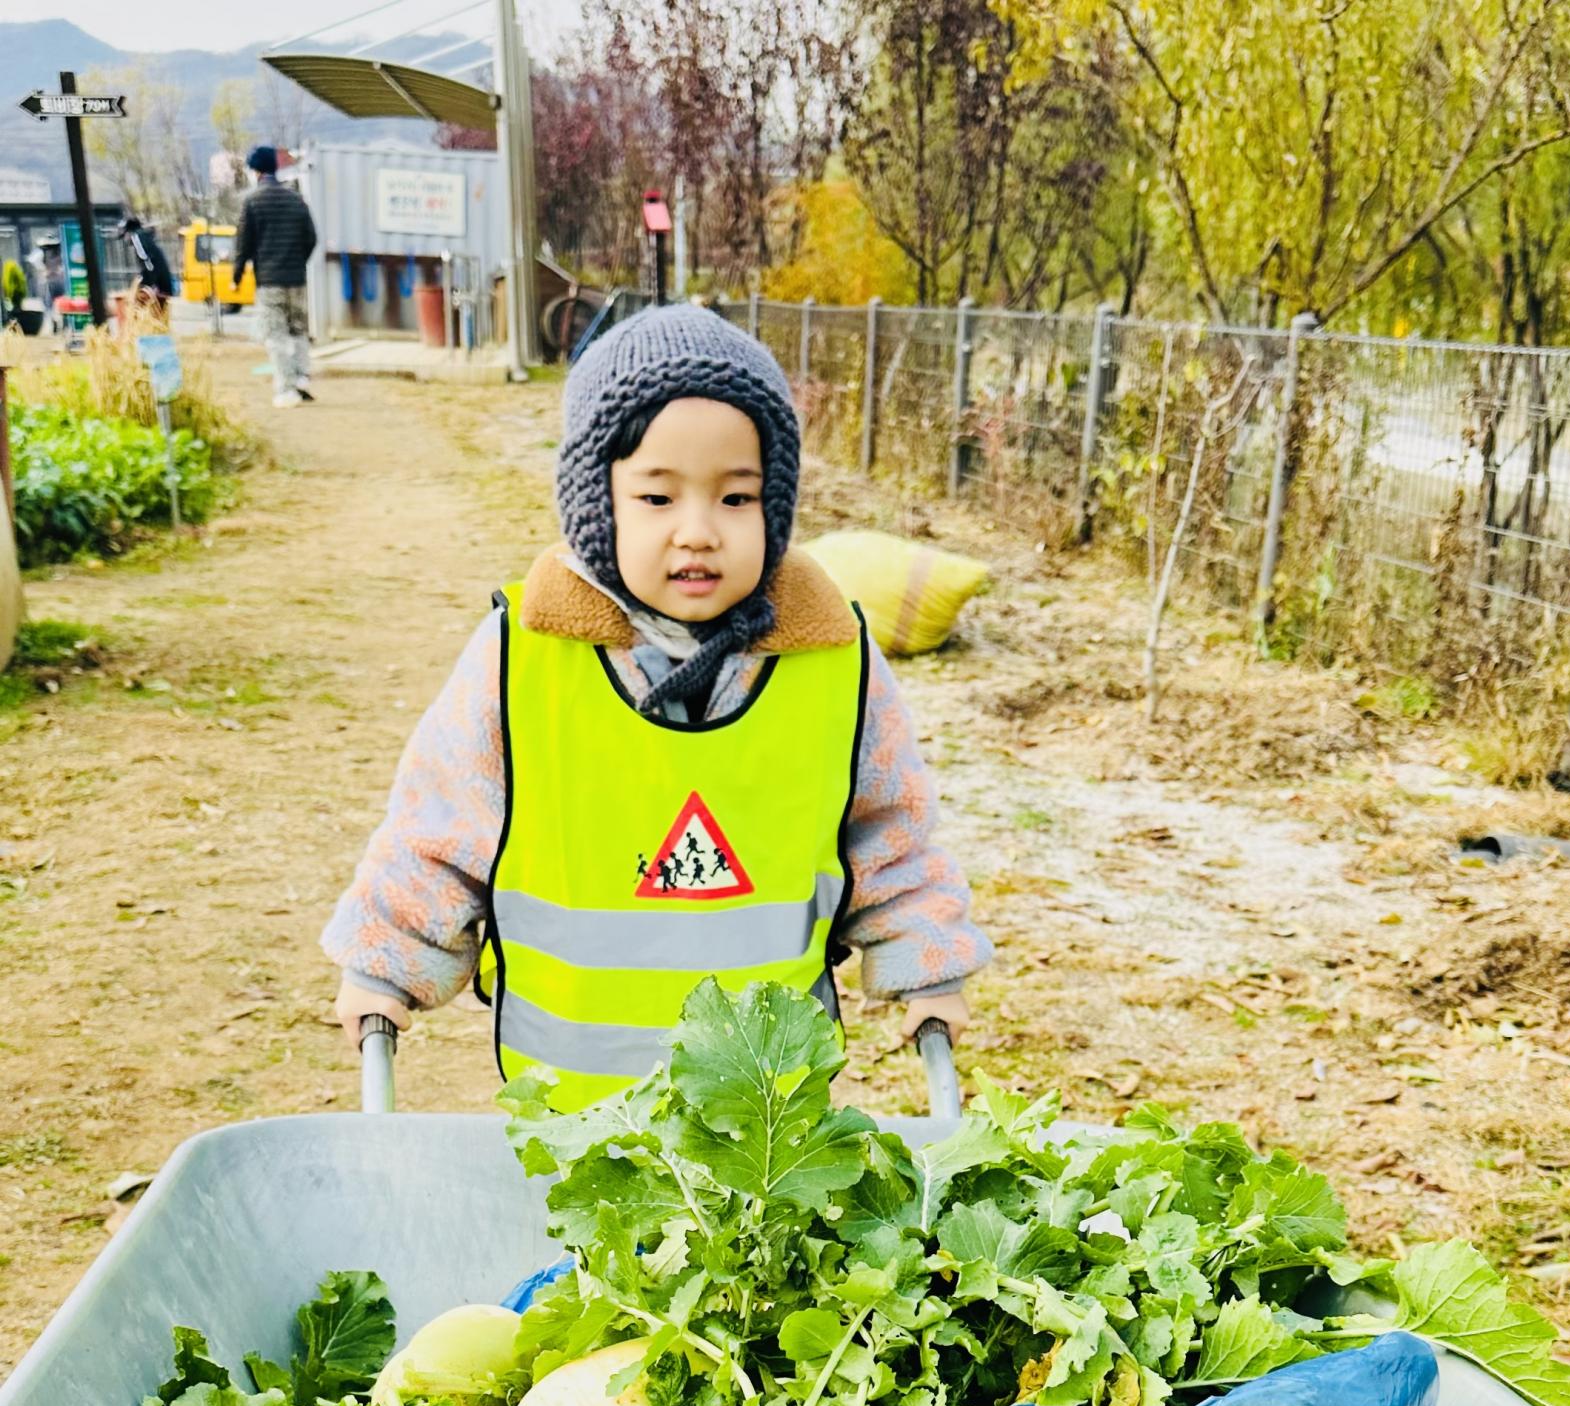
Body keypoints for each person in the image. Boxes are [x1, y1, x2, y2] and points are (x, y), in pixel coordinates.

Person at [324, 306, 989, 1105]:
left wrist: (928, 959)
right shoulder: (522, 658)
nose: (698, 531)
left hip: (765, 1120)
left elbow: (890, 834)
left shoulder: (833, 661)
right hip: (573, 1113)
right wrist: (385, 960)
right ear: (597, 502)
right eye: (657, 497)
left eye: (736, 498)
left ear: (775, 505)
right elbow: (437, 830)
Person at [233, 146, 316, 408]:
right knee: (298, 329)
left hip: (269, 280)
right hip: (297, 278)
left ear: (256, 171)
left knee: (276, 334)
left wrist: (237, 275)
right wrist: (297, 262)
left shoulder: (253, 201)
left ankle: (286, 389)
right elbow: (311, 238)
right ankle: (302, 375)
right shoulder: (296, 199)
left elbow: (244, 244)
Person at [118, 214, 174, 316]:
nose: (125, 240)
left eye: (124, 236)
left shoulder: (136, 237)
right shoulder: (146, 238)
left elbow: (147, 260)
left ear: (129, 231)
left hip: (157, 281)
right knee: (160, 313)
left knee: (139, 306)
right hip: (162, 279)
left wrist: (149, 283)